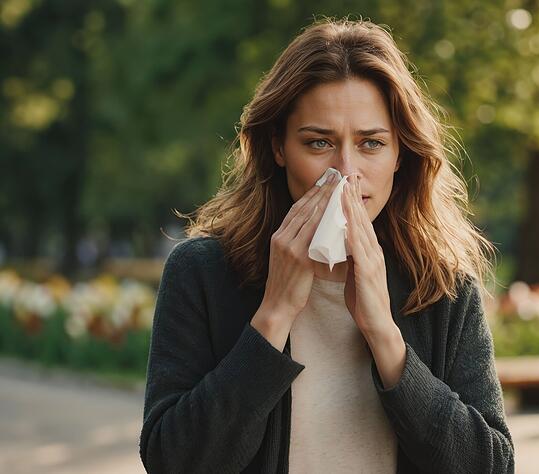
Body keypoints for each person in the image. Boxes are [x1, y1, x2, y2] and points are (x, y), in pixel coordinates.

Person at [138, 19, 514, 473]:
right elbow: (171, 461)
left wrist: (385, 337)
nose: (346, 171)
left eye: (371, 143)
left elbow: (491, 465)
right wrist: (273, 315)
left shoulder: (443, 284)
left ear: (400, 153)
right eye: (319, 142)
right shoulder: (202, 271)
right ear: (279, 147)